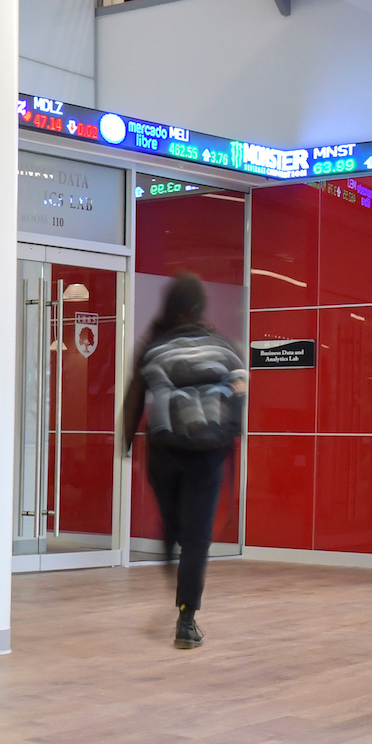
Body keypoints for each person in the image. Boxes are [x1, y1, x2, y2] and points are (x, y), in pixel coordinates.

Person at [121, 273, 246, 650]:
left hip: (165, 449)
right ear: (199, 307)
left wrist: (124, 444)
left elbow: (133, 397)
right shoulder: (224, 346)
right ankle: (186, 620)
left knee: (174, 526)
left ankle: (168, 542)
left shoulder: (154, 345)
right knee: (197, 539)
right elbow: (238, 399)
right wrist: (232, 444)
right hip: (208, 454)